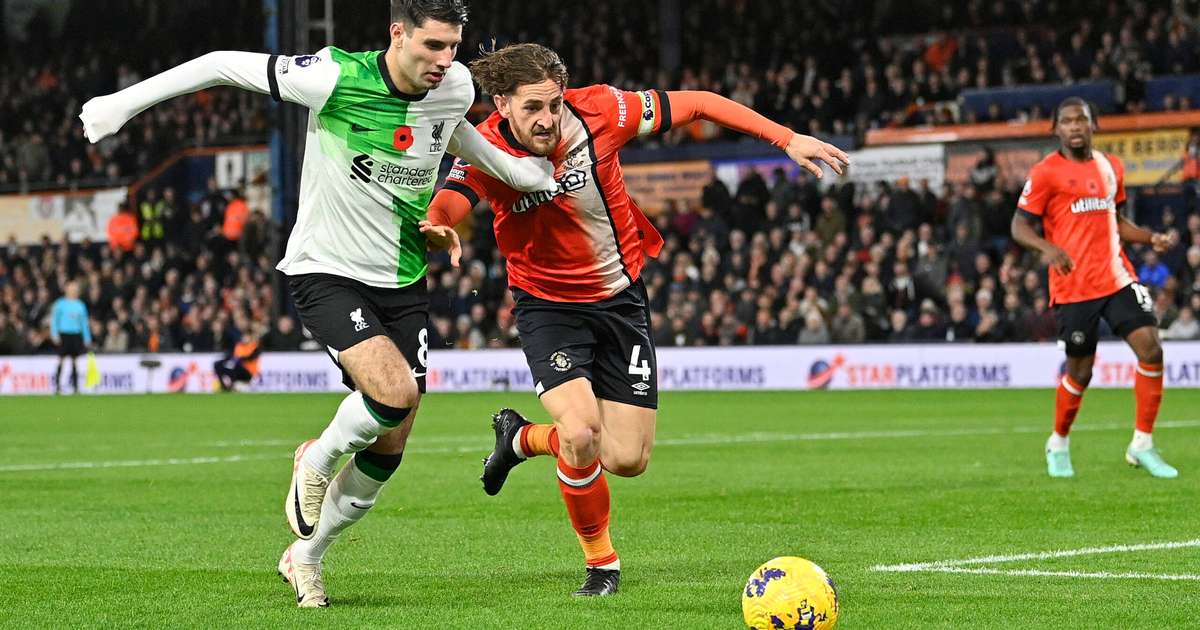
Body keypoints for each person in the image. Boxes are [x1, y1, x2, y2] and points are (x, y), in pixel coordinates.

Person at [79, 0, 556, 608]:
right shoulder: (334, 78)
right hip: (326, 271)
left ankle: (306, 555)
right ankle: (317, 457)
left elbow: (452, 129)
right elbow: (223, 63)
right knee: (394, 393)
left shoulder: (454, 86)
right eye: (432, 46)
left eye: (453, 47)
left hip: (404, 278)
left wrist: (517, 171)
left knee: (391, 445)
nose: (445, 61)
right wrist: (122, 105)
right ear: (398, 34)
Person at [422, 43, 848, 596]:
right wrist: (438, 221)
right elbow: (454, 197)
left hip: (621, 301)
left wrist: (786, 138)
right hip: (548, 308)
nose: (547, 119)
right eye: (532, 108)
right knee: (580, 433)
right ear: (501, 103)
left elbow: (698, 103)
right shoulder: (486, 147)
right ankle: (601, 565)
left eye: (553, 104)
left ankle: (522, 437)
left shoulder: (602, 110)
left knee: (626, 458)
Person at [1011, 97, 1178, 480]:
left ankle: (1143, 444)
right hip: (1073, 285)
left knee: (1151, 349)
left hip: (1117, 276)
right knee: (1081, 372)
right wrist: (1048, 248)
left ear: (1093, 125)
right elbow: (1019, 226)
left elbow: (1114, 219)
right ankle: (1058, 441)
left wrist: (1148, 237)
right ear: (1056, 129)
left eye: (1081, 120)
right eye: (1067, 121)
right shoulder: (1045, 173)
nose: (1074, 127)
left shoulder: (1110, 166)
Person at [50, 280, 91, 394]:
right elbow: (54, 321)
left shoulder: (80, 305)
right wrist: (54, 334)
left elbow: (84, 323)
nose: (74, 290)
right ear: (66, 289)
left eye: (75, 288)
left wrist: (87, 338)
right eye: (72, 288)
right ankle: (57, 386)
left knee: (75, 361)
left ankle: (76, 387)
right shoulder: (60, 304)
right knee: (61, 359)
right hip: (64, 334)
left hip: (76, 335)